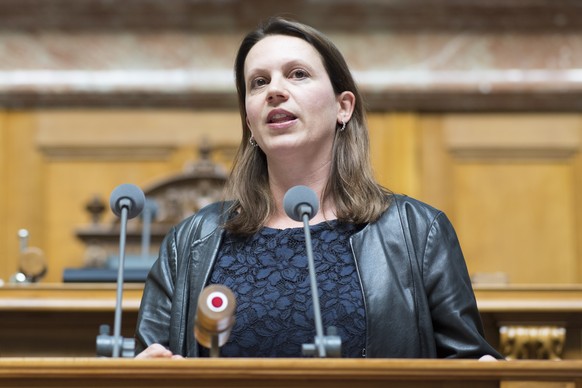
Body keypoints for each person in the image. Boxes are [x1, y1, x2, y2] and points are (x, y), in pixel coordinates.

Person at [134, 16, 502, 360]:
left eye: (297, 74)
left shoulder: (417, 232)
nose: (274, 91)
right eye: (258, 82)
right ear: (249, 119)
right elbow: (149, 363)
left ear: (343, 107)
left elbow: (468, 365)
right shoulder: (193, 240)